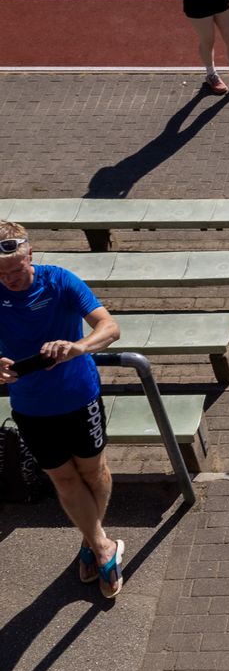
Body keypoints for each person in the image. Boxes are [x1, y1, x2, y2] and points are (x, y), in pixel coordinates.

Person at [0, 223, 124, 600]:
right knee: (65, 481)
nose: (10, 280)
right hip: (31, 407)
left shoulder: (59, 281)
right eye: (2, 275)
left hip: (78, 397)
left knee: (92, 471)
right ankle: (102, 545)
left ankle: (91, 539)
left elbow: (110, 327)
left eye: (16, 270)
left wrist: (79, 347)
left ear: (31, 255)